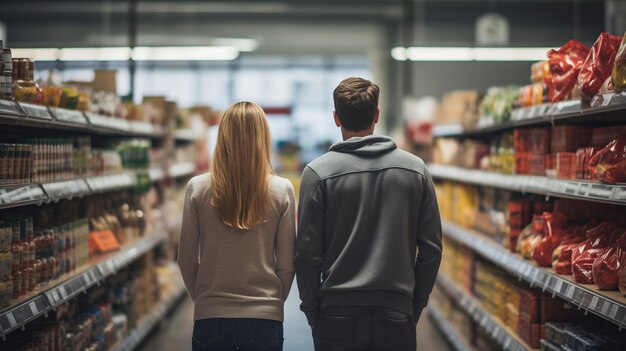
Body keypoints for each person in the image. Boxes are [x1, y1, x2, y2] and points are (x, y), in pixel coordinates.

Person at [295, 77, 442, 351]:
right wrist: (413, 305)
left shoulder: (317, 174)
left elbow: (306, 255)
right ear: (377, 114)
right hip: (397, 312)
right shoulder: (416, 170)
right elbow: (432, 250)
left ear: (336, 118)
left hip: (336, 316)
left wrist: (313, 311)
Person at [178, 101, 296, 351]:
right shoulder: (281, 190)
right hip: (265, 319)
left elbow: (186, 259)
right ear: (263, 138)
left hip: (210, 318)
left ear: (222, 137)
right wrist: (271, 302)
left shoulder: (197, 188)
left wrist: (204, 300)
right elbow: (287, 265)